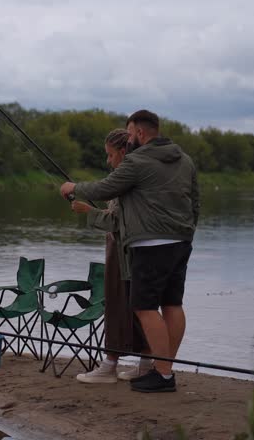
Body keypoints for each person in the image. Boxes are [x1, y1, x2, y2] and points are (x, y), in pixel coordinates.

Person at [60, 109, 199, 393]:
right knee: (172, 304)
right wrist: (187, 230)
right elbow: (195, 201)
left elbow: (104, 188)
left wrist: (73, 187)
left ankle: (161, 375)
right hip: (181, 242)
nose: (129, 137)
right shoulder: (185, 160)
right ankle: (164, 370)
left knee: (144, 307)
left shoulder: (137, 160)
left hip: (150, 245)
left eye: (130, 131)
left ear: (139, 132)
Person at [72, 128, 152, 384]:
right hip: (133, 251)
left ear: (121, 151)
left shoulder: (126, 177)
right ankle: (145, 362)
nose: (108, 161)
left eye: (109, 155)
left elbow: (118, 222)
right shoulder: (139, 175)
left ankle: (110, 365)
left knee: (120, 305)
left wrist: (88, 211)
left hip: (123, 252)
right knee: (138, 306)